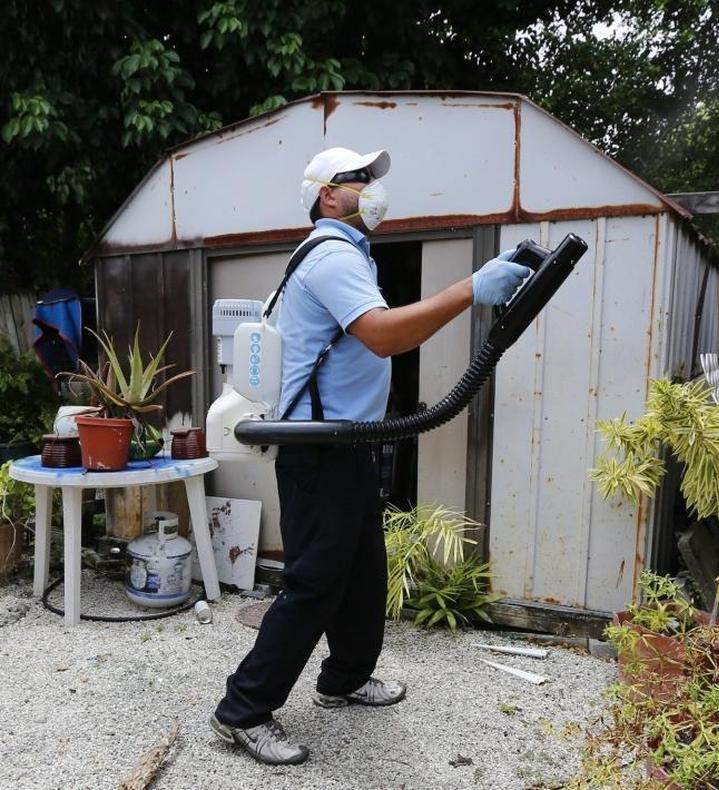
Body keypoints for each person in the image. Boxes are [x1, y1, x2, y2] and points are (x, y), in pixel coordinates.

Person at [210, 146, 531, 765]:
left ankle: (346, 678)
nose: (373, 189)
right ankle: (243, 710)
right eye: (359, 179)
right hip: (321, 447)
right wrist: (471, 287)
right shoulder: (331, 256)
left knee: (362, 568)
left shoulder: (345, 255)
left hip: (346, 443)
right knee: (314, 582)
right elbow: (383, 337)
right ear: (327, 195)